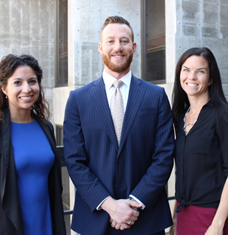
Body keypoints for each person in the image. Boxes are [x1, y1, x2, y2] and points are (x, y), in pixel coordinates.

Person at [63, 15, 174, 235]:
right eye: (111, 41)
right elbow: (75, 160)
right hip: (96, 218)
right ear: (100, 47)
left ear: (133, 47)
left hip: (145, 217)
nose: (118, 47)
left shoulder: (156, 96)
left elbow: (163, 156)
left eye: (124, 41)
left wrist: (133, 203)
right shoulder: (78, 99)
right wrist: (109, 205)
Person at [0, 54, 66, 235]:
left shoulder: (46, 127)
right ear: (4, 88)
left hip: (47, 223)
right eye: (17, 82)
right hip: (11, 227)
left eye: (32, 81)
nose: (27, 89)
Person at [172, 47, 228, 235]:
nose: (192, 76)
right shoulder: (179, 117)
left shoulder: (221, 115)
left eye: (200, 71)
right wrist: (174, 217)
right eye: (186, 69)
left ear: (211, 79)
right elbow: (184, 172)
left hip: (212, 216)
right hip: (183, 213)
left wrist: (218, 225)